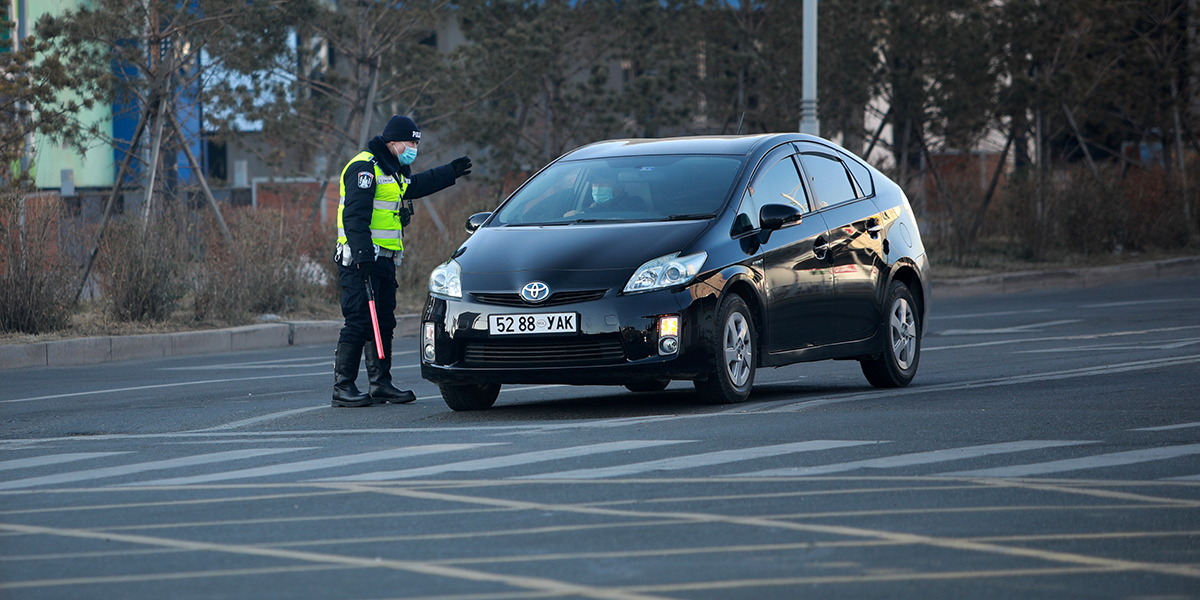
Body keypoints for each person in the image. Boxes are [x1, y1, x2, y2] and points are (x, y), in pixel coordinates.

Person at [332, 115, 472, 407]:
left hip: (384, 259)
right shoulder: (365, 168)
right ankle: (343, 387)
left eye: (416, 142)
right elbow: (354, 216)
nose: (414, 147)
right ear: (392, 141)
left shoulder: (392, 170)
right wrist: (362, 255)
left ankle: (380, 383)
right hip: (360, 259)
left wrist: (449, 173)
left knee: (383, 322)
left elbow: (415, 186)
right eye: (410, 142)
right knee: (358, 321)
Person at [563, 176, 645, 217]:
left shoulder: (634, 202)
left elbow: (621, 212)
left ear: (620, 187)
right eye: (595, 183)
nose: (598, 187)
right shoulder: (590, 206)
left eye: (604, 183)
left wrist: (587, 213)